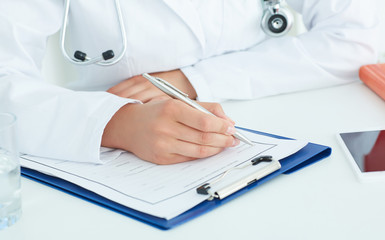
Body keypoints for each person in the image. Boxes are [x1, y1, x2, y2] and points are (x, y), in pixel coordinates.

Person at [0, 0, 379, 165]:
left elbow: (361, 36)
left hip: (271, 126)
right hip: (128, 158)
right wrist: (113, 123)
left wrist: (197, 80)